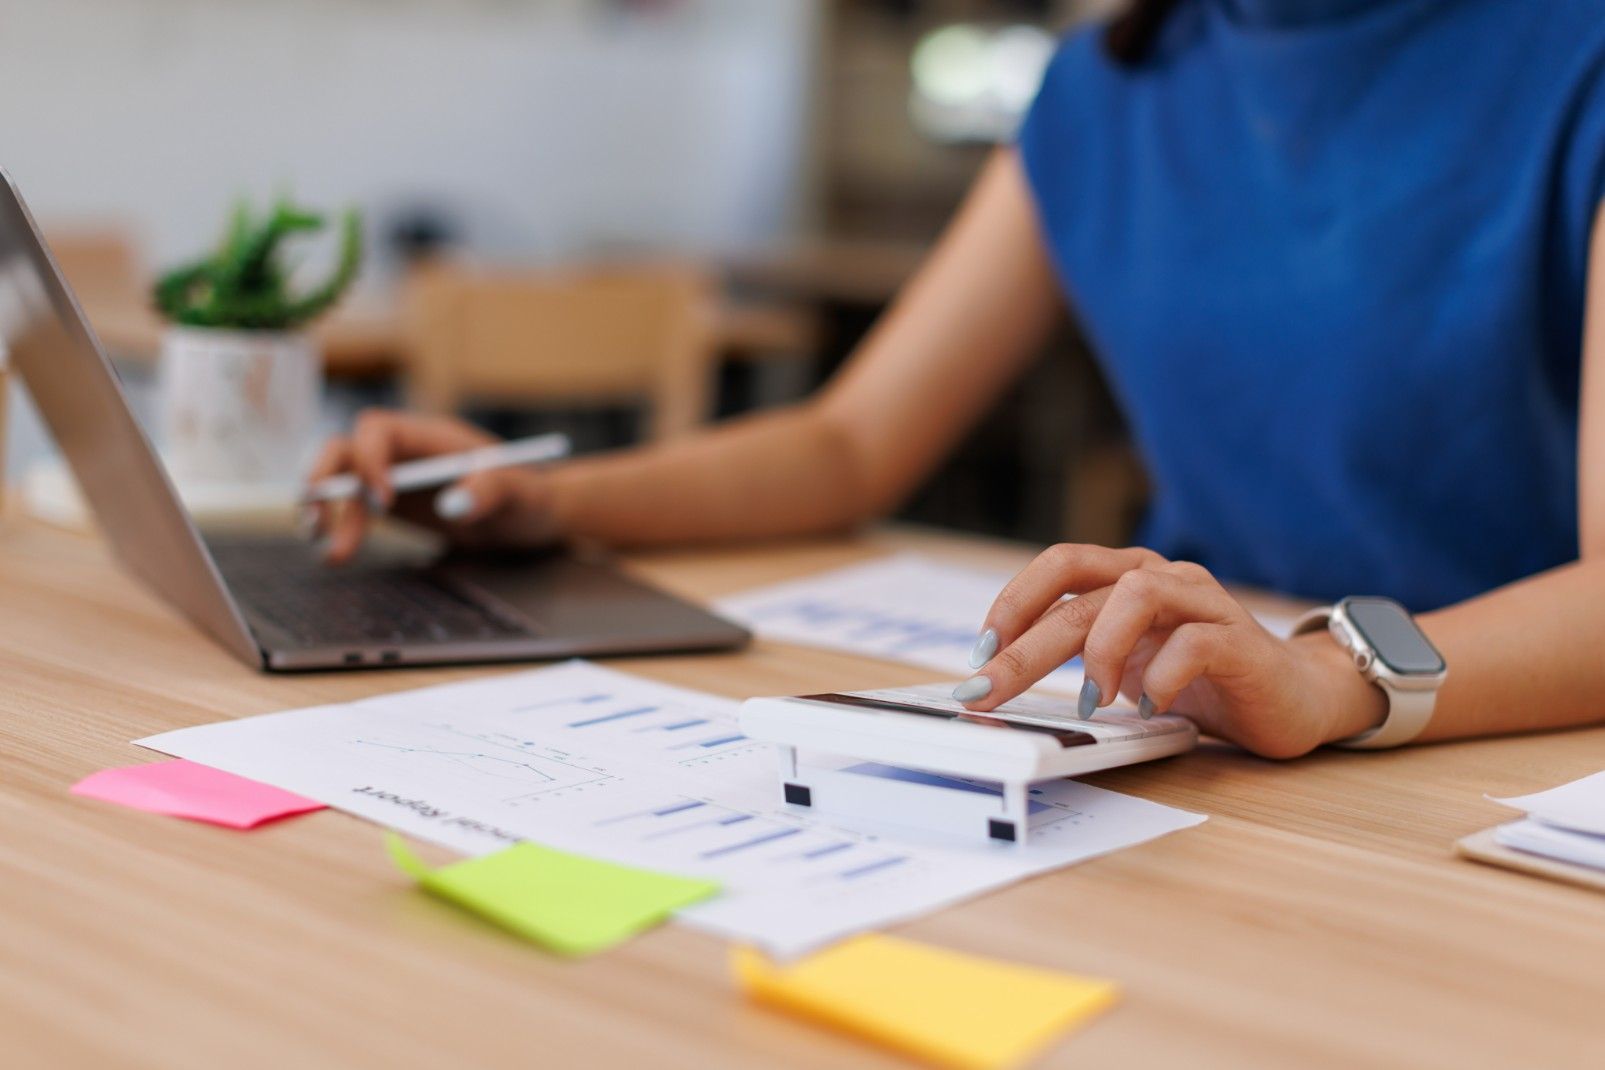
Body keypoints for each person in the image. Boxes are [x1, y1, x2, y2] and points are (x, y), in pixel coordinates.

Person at [309, 0, 1605, 759]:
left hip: (1477, 737)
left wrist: (1330, 677)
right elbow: (849, 443)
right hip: (1185, 732)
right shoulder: (1106, 84)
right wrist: (547, 500)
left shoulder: (1572, 57)